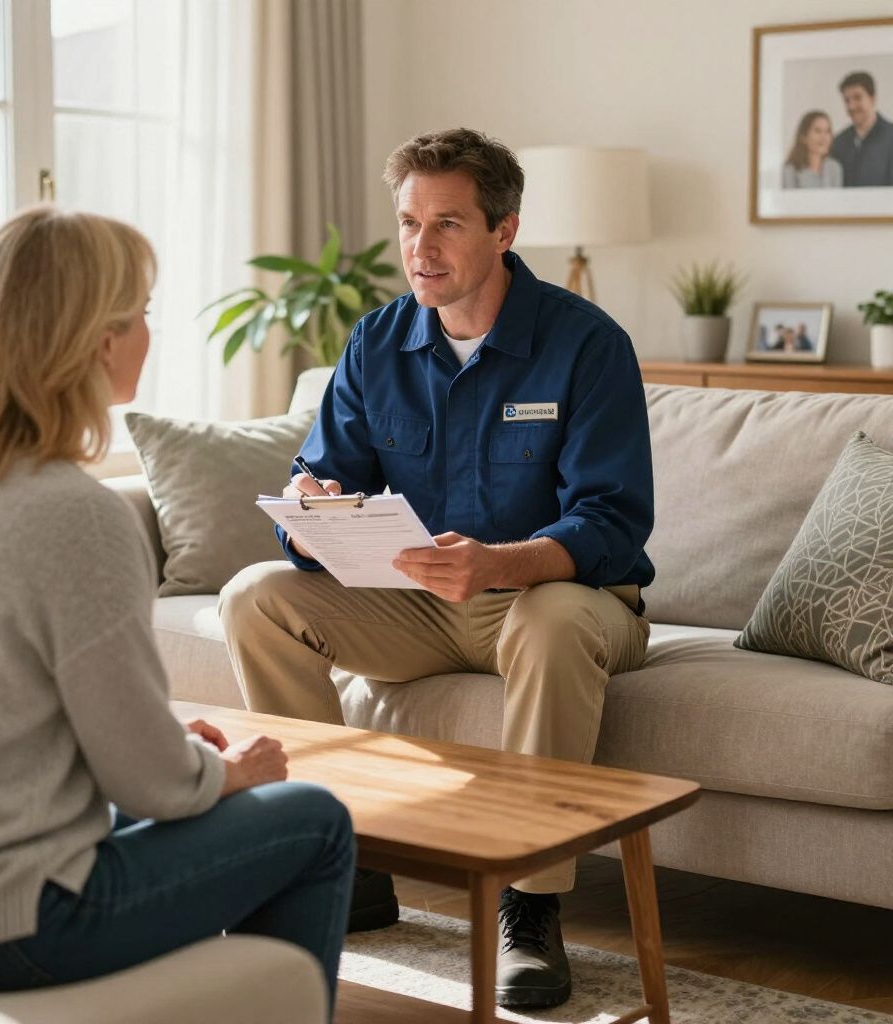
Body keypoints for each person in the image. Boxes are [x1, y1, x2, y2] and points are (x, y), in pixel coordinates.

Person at [0, 207, 354, 1012]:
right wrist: (228, 772)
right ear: (101, 340)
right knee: (311, 818)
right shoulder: (74, 514)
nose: (149, 332)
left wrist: (174, 755)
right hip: (20, 919)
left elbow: (12, 718)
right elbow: (154, 785)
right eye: (145, 313)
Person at [220, 127, 653, 1011]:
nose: (421, 247)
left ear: (504, 230)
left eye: (448, 224)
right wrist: (314, 506)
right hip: (415, 605)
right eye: (410, 222)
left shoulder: (588, 345)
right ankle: (343, 861)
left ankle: (530, 905)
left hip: (553, 598)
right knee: (255, 600)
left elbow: (612, 521)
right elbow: (320, 483)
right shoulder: (375, 343)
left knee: (555, 617)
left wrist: (500, 563)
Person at [830, 71, 893, 187]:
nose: (851, 106)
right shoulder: (839, 141)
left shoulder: (890, 136)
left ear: (873, 98)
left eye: (857, 98)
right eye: (847, 100)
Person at [782, 110, 843, 188]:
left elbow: (836, 198)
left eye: (827, 131)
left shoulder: (834, 168)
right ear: (803, 137)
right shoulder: (790, 170)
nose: (824, 137)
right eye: (817, 131)